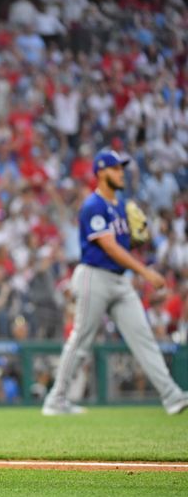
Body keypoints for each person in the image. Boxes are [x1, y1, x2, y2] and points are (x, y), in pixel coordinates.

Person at [42, 150, 188, 416]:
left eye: (122, 168)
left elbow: (121, 244)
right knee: (82, 340)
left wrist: (137, 239)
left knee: (143, 337)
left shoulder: (120, 205)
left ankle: (172, 395)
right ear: (100, 172)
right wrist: (145, 272)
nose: (121, 173)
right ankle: (56, 399)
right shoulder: (93, 206)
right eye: (115, 168)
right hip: (94, 276)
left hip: (120, 280)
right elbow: (108, 246)